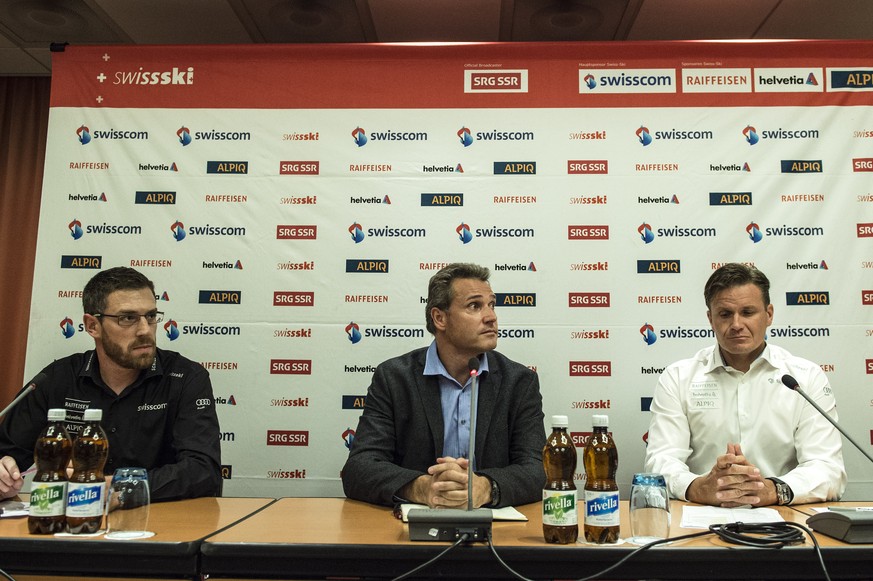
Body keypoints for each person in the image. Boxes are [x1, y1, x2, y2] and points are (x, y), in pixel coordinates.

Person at [0, 266, 222, 502]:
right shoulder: (56, 379)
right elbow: (8, 455)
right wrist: (5, 474)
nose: (145, 330)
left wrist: (117, 488)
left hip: (160, 526)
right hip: (75, 523)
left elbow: (203, 471)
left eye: (151, 316)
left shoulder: (186, 377)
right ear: (92, 325)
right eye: (128, 318)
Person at [342, 263, 545, 508]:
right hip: (411, 530)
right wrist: (422, 487)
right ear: (440, 318)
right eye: (474, 306)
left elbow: (537, 470)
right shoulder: (394, 378)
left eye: (491, 304)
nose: (491, 316)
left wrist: (486, 487)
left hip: (495, 531)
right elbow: (359, 467)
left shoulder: (519, 382)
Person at [644, 263, 846, 507]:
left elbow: (827, 468)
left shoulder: (805, 378)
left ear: (769, 314)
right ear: (710, 318)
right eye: (725, 314)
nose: (737, 324)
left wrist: (771, 490)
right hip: (699, 518)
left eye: (748, 312)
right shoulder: (678, 377)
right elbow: (661, 460)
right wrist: (700, 487)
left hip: (783, 520)